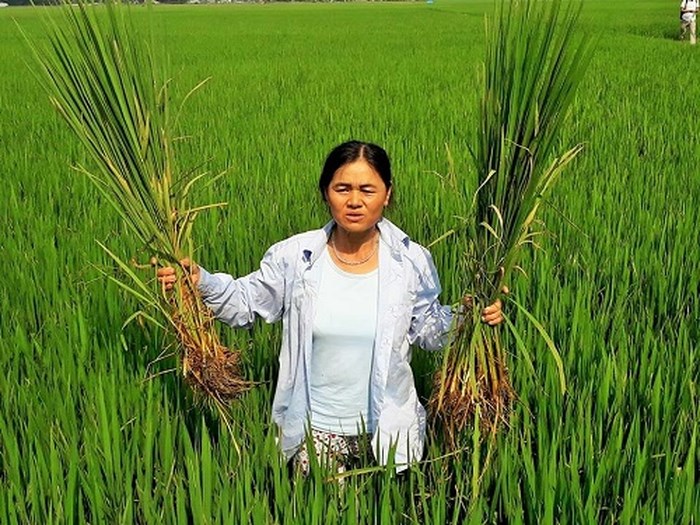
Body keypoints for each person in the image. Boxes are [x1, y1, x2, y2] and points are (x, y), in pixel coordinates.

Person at [157, 140, 504, 475]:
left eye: (367, 189)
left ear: (387, 194)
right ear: (326, 192)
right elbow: (246, 303)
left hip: (387, 427)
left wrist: (470, 315)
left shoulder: (411, 260)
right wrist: (200, 280)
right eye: (343, 188)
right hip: (316, 429)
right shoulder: (295, 257)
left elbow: (427, 328)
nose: (355, 201)